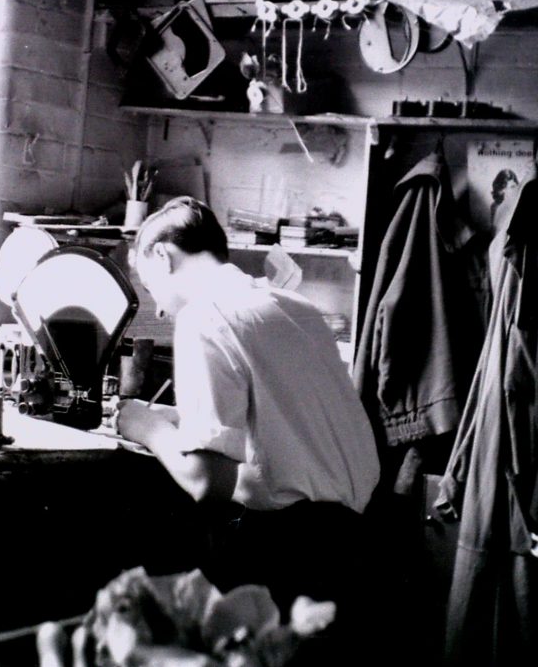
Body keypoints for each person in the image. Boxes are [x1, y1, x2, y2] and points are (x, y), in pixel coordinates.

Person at [115, 196, 383, 657]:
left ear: (164, 256)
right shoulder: (294, 307)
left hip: (288, 555)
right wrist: (180, 419)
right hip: (355, 544)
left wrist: (144, 426)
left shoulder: (205, 316)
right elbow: (280, 416)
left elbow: (207, 483)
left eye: (149, 286)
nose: (157, 311)